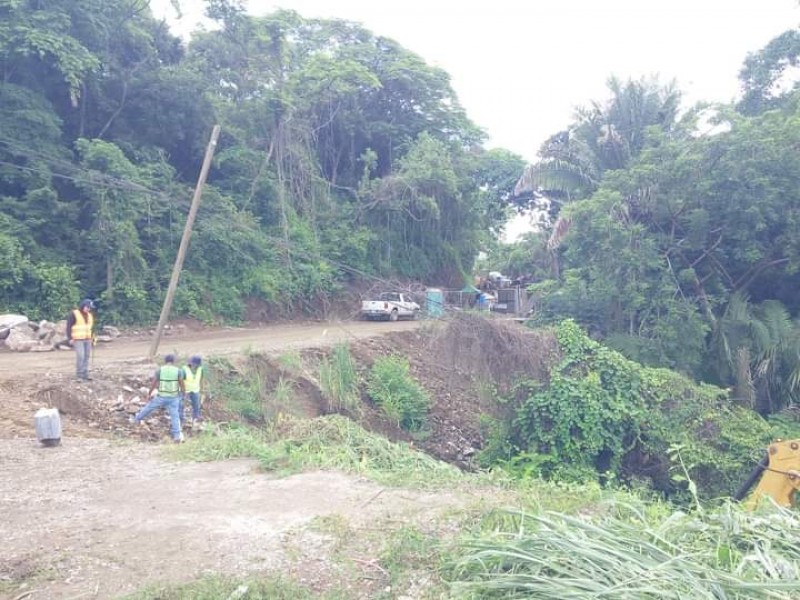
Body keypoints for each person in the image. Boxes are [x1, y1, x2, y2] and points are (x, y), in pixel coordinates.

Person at [132, 354, 185, 443]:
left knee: (149, 407)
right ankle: (176, 436)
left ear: (165, 361)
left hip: (161, 396)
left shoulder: (160, 370)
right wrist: (184, 392)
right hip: (173, 397)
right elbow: (181, 383)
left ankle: (136, 419)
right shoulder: (178, 371)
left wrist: (149, 393)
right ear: (173, 361)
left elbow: (154, 382)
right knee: (175, 416)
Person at [66, 299, 95, 380]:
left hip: (88, 338)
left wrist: (93, 337)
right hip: (78, 339)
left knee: (87, 356)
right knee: (81, 356)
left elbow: (91, 328)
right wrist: (70, 338)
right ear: (83, 306)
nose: (89, 309)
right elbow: (68, 327)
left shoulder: (90, 315)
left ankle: (85, 374)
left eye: (90, 308)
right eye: (87, 307)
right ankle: (79, 375)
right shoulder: (74, 314)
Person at [181, 355, 205, 428]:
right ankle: (181, 421)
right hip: (185, 391)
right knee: (181, 405)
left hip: (195, 390)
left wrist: (202, 389)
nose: (194, 365)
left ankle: (195, 421)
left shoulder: (200, 369)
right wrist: (183, 390)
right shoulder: (184, 369)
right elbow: (180, 381)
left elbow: (201, 379)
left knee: (196, 406)